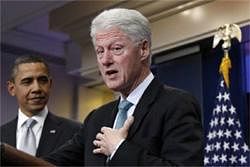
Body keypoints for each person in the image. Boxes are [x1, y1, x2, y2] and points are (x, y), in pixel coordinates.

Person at [42, 8, 203, 166]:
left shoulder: (176, 104)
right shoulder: (96, 118)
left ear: (143, 49)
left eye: (116, 48)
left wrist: (119, 149)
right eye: (100, 51)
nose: (105, 60)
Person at [0, 55, 81, 157]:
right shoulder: (1, 135)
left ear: (50, 84)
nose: (36, 88)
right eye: (27, 82)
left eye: (42, 80)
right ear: (12, 88)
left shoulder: (75, 132)